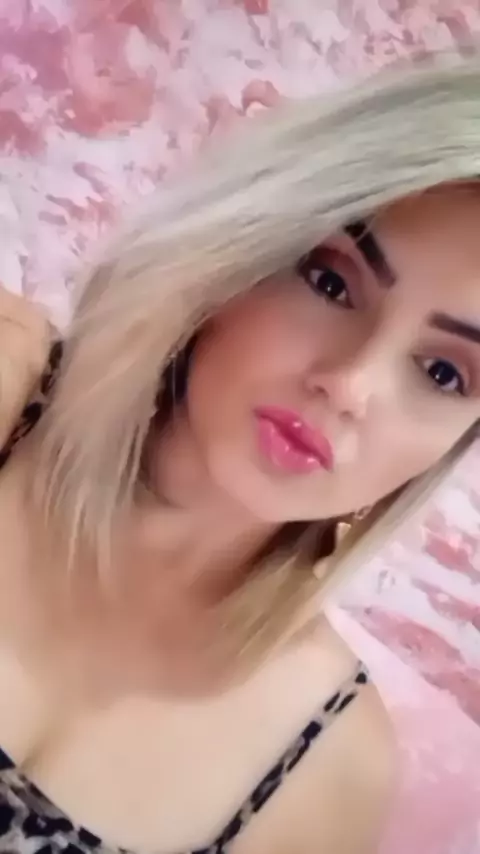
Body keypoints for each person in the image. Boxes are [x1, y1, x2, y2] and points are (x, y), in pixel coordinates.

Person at [0, 55, 479, 854]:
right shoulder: (5, 376)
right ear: (245, 249)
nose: (350, 385)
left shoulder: (326, 766)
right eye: (333, 283)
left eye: (443, 374)